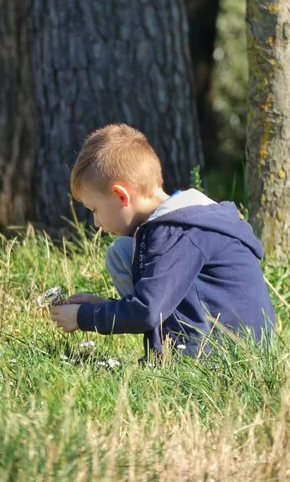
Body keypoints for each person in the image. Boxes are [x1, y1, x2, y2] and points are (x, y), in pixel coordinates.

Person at [50, 123, 275, 359]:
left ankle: (173, 357)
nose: (96, 223)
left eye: (94, 209)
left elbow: (147, 310)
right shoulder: (181, 223)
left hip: (228, 356)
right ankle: (165, 349)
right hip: (234, 342)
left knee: (127, 257)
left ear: (121, 196)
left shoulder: (177, 232)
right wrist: (101, 306)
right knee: (123, 252)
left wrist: (84, 317)